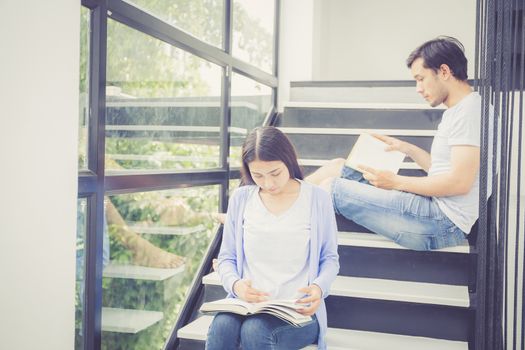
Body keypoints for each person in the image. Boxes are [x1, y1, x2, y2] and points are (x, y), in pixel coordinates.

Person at [307, 36, 490, 251]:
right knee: (338, 166)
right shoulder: (460, 110)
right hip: (434, 209)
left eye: (421, 78)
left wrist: (395, 182)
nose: (418, 88)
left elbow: (459, 183)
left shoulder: (469, 113)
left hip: (441, 222)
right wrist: (407, 148)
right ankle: (282, 194)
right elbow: (443, 170)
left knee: (331, 188)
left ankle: (280, 213)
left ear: (444, 71)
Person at [206, 126, 339, 350]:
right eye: (258, 175)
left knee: (255, 330)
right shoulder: (241, 199)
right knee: (222, 328)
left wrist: (318, 288)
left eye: (275, 173)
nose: (268, 183)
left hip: (296, 311)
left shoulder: (317, 199)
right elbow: (227, 257)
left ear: (289, 160)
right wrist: (236, 285)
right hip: (247, 305)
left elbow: (330, 258)